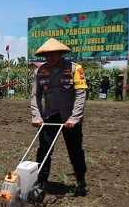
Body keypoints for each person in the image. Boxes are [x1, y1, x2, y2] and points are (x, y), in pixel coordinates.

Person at [31, 37, 89, 197]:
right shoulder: (40, 71)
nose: (49, 57)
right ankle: (41, 182)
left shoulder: (74, 69)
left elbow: (80, 94)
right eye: (46, 55)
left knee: (74, 149)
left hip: (70, 116)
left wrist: (75, 117)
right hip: (50, 115)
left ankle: (80, 180)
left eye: (53, 54)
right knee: (44, 149)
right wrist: (37, 116)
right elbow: (35, 95)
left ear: (60, 53)